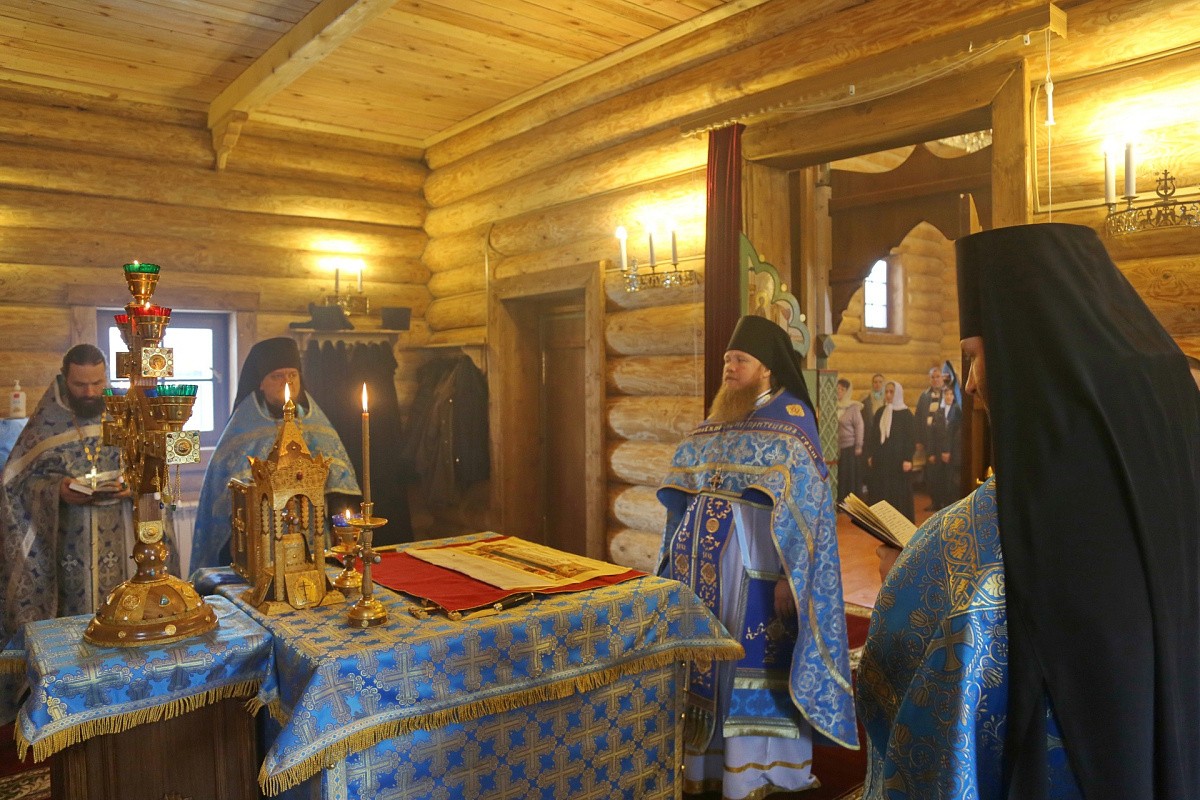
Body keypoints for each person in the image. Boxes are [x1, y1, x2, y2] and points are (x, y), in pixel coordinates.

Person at [857, 223, 1200, 800]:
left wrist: (908, 571)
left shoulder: (970, 537)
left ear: (1027, 350)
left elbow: (906, 672)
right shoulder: (1172, 455)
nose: (971, 383)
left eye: (975, 357)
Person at [657, 315, 857, 800]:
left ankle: (756, 771)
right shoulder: (724, 416)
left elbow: (807, 511)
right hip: (705, 574)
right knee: (710, 666)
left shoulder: (792, 420)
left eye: (739, 360)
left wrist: (791, 576)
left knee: (749, 668)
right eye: (727, 359)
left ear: (766, 367)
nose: (729, 367)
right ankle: (707, 766)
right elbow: (688, 477)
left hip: (757, 575)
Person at [0, 344, 135, 722]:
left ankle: (123, 697)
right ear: (64, 378)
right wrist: (55, 490)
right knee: (73, 636)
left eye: (97, 383)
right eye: (80, 384)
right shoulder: (46, 422)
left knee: (120, 623)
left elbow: (148, 467)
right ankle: (66, 707)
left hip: (120, 541)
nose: (90, 392)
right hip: (63, 551)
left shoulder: (121, 413)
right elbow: (13, 486)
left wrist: (132, 483)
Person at [189, 337, 360, 574]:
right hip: (261, 543)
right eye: (277, 376)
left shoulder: (316, 424)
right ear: (260, 383)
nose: (287, 382)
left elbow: (341, 489)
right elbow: (226, 498)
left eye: (292, 375)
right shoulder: (243, 429)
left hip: (313, 538)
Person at [864, 380, 915, 521]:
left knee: (898, 491)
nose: (888, 394)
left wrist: (908, 458)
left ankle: (899, 521)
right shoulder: (881, 412)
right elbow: (874, 435)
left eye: (891, 392)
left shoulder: (906, 414)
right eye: (886, 391)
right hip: (882, 460)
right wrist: (871, 455)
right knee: (881, 489)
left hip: (899, 461)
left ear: (898, 393)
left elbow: (910, 439)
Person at [926, 383, 962, 510]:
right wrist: (931, 453)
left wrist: (947, 451)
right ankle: (936, 503)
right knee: (937, 478)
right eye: (946, 394)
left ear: (954, 396)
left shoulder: (958, 412)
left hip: (953, 452)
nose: (949, 396)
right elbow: (932, 434)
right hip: (938, 451)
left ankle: (949, 504)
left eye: (951, 394)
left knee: (950, 480)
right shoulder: (938, 412)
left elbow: (956, 434)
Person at [834, 377, 864, 503]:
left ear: (847, 391)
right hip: (836, 447)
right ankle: (840, 500)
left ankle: (850, 503)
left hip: (849, 446)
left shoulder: (853, 407)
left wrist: (858, 445)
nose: (839, 391)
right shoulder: (833, 405)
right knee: (840, 474)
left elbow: (859, 426)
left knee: (848, 475)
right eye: (837, 388)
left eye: (842, 389)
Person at [859, 373, 886, 487]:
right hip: (869, 439)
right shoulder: (866, 401)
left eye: (880, 382)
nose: (877, 384)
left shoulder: (887, 400)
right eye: (875, 382)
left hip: (884, 439)